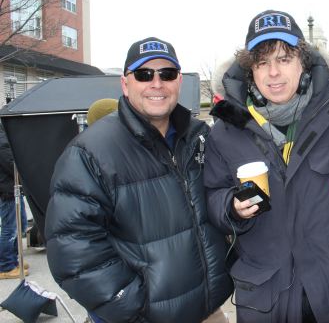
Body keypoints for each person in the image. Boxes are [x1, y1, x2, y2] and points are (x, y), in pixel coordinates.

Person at [204, 10, 329, 322]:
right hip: (267, 299)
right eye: (262, 62)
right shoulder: (226, 131)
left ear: (304, 62)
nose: (273, 73)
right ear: (249, 72)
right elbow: (213, 194)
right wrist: (231, 208)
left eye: (284, 59)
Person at [45, 37, 232, 322]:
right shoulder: (90, 152)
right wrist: (133, 306)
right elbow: (73, 252)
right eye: (144, 74)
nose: (156, 83)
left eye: (167, 74)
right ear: (125, 83)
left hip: (207, 310)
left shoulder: (198, 137)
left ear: (179, 81)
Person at [0, 121, 28, 279]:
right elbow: (11, 164)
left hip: (10, 188)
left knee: (20, 224)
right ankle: (6, 266)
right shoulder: (2, 139)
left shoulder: (4, 136)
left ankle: (13, 259)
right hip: (8, 190)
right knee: (10, 229)